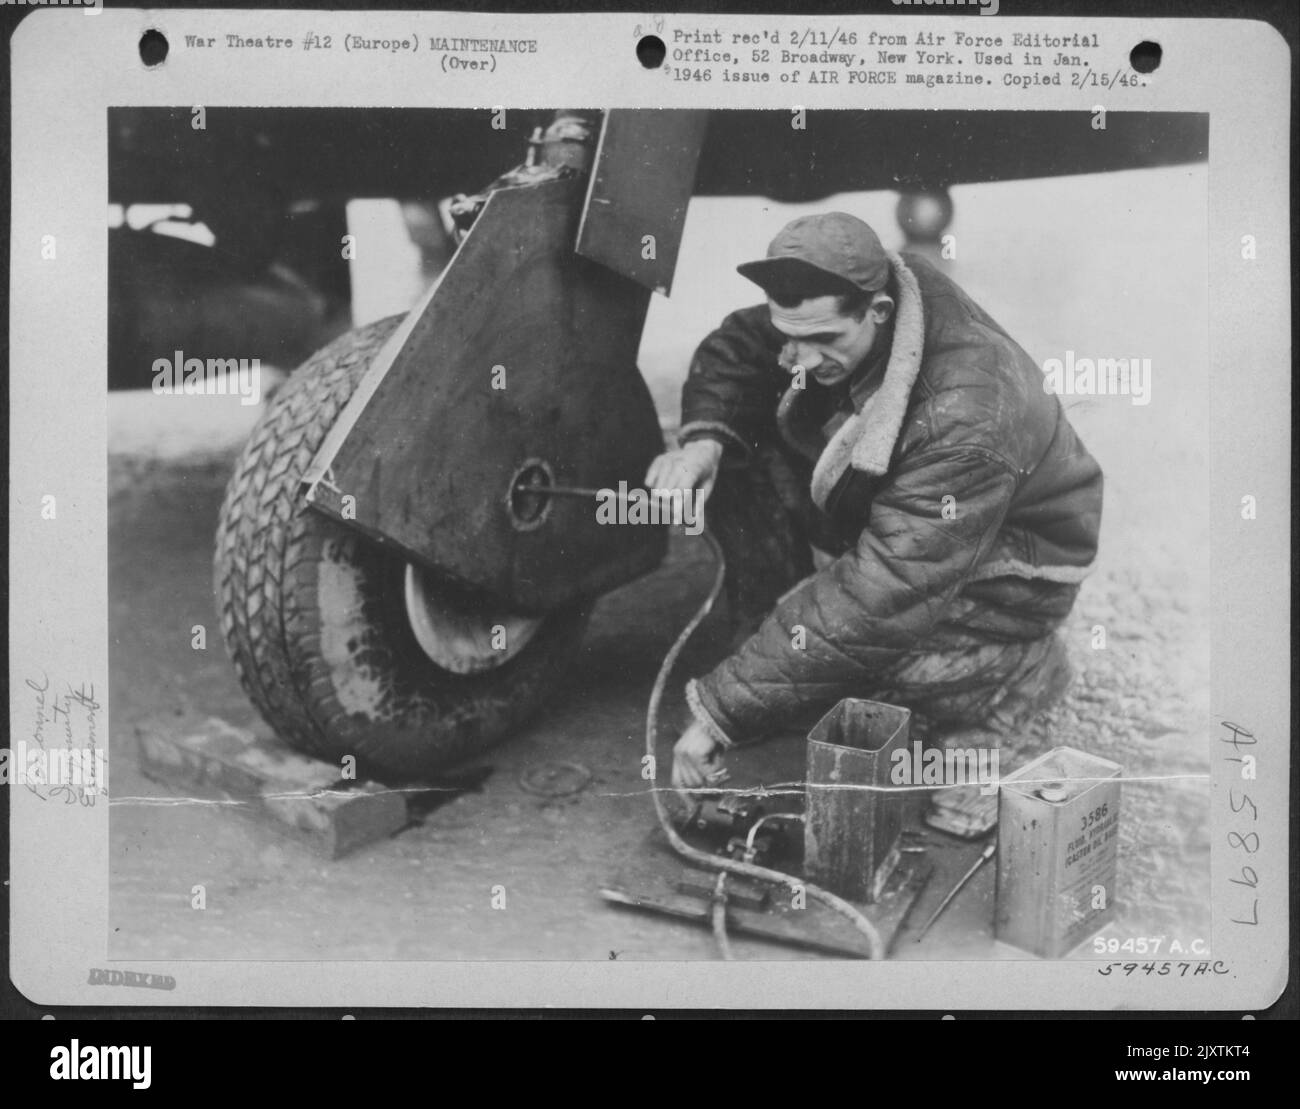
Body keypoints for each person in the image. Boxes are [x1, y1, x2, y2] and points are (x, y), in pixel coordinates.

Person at [644, 212, 1103, 790]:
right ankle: (776, 645)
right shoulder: (835, 306)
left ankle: (1015, 674)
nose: (801, 358)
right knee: (740, 454)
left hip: (1010, 571)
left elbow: (879, 595)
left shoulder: (965, 415)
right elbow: (740, 343)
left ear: (879, 313)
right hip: (926, 529)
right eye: (791, 336)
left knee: (865, 659)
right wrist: (704, 444)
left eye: (824, 341)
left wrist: (722, 710)